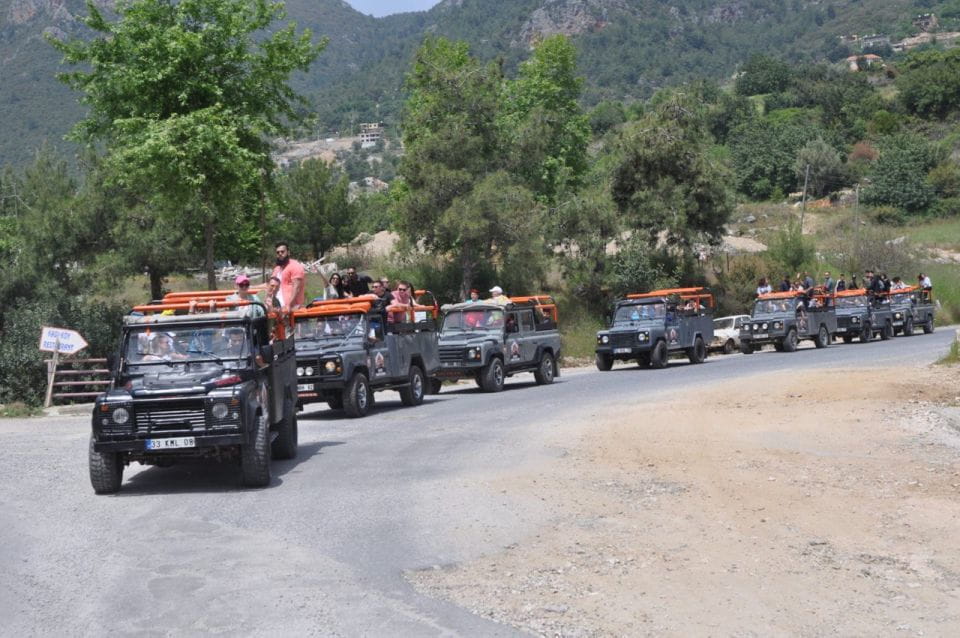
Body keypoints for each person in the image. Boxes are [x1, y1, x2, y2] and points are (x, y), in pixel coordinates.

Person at [271, 242, 305, 311]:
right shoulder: (277, 269)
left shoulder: (295, 266)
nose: (280, 254)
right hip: (277, 306)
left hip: (291, 308)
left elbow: (296, 288)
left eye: (282, 252)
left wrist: (289, 305)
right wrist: (250, 287)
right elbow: (269, 284)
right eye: (278, 252)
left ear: (288, 252)